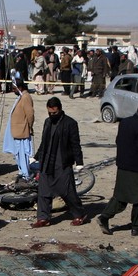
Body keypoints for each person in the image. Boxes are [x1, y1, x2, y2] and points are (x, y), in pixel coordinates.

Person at [96, 99, 138, 237]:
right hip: (137, 168)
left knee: (121, 196)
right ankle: (137, 226)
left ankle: (104, 216)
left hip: (123, 166)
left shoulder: (125, 122)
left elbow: (118, 141)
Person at [31, 97, 86, 227]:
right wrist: (36, 157)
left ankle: (79, 214)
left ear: (60, 110)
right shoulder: (47, 122)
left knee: (67, 190)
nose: (52, 115)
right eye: (50, 113)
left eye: (54, 113)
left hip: (62, 162)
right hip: (46, 162)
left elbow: (75, 144)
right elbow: (44, 142)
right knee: (44, 191)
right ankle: (43, 218)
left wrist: (79, 162)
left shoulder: (70, 123)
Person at [1, 74, 35, 182]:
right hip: (17, 131)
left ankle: (25, 174)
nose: (13, 90)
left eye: (14, 88)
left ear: (19, 88)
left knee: (23, 154)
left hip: (22, 131)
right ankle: (22, 172)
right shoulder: (21, 97)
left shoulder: (25, 97)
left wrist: (29, 127)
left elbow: (30, 114)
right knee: (18, 154)